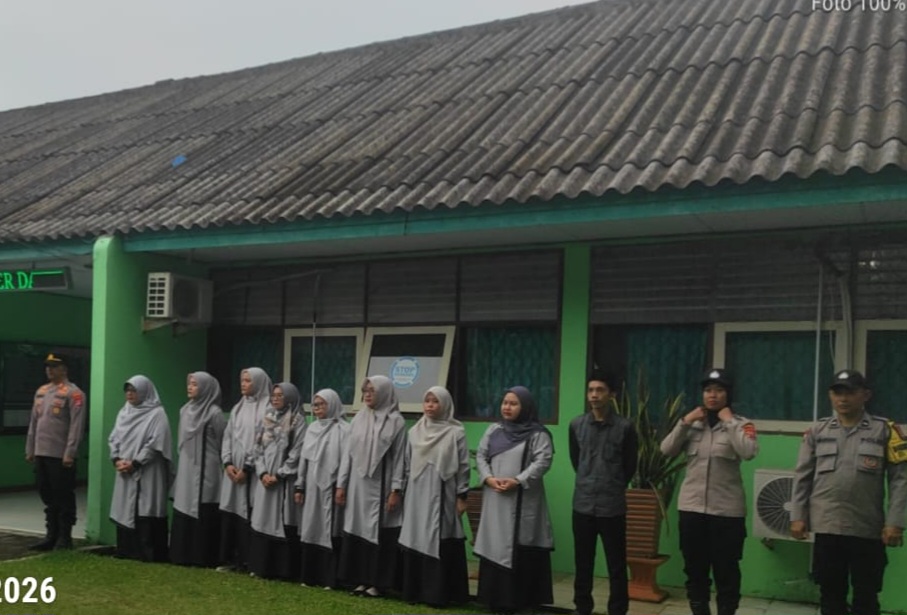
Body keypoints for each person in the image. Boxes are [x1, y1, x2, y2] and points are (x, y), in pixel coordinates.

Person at [790, 370, 907, 615]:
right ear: (830, 396)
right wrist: (797, 516)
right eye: (837, 393)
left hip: (866, 527)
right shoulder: (818, 431)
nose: (843, 399)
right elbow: (802, 476)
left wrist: (895, 522)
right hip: (827, 526)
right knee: (830, 595)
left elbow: (900, 480)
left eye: (850, 393)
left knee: (866, 596)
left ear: (866, 395)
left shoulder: (885, 431)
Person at [659, 368, 758, 615]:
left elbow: (748, 452)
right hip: (692, 509)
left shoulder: (742, 424)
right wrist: (684, 422)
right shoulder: (692, 424)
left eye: (719, 390)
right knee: (695, 569)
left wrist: (729, 421)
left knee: (726, 569)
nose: (712, 395)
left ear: (728, 394)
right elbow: (666, 450)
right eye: (708, 390)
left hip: (727, 512)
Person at [474, 386, 555, 614]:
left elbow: (543, 461)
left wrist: (518, 480)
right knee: (495, 542)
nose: (507, 407)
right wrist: (488, 478)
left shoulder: (538, 434)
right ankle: (495, 599)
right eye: (505, 403)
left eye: (513, 403)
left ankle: (522, 601)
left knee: (520, 544)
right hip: (496, 498)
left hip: (522, 499)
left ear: (525, 407)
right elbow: (481, 455)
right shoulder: (494, 430)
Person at [568, 370, 638, 615]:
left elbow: (629, 466)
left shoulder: (625, 427)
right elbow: (576, 461)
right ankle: (582, 608)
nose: (594, 395)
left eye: (600, 390)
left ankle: (617, 610)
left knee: (616, 564)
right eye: (591, 390)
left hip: (612, 506)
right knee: (583, 563)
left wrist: (612, 484)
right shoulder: (576, 425)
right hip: (583, 504)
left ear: (612, 395)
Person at [398, 386, 470, 608]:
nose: (430, 405)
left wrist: (462, 495)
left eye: (435, 401)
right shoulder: (414, 432)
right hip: (417, 494)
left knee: (440, 535)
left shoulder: (455, 432)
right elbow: (407, 464)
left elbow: (463, 466)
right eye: (427, 401)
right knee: (417, 534)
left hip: (443, 493)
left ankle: (438, 593)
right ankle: (415, 591)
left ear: (445, 404)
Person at [336, 375, 407, 598]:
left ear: (384, 393)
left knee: (379, 532)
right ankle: (360, 579)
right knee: (357, 529)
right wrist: (341, 485)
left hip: (382, 487)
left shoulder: (396, 422)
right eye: (364, 391)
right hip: (358, 486)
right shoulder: (358, 418)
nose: (367, 395)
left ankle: (378, 583)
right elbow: (348, 455)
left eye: (372, 391)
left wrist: (396, 490)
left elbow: (400, 459)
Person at [25, 352, 86, 551]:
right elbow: (34, 423)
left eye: (54, 366)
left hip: (60, 455)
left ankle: (64, 537)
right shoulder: (41, 391)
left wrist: (70, 452)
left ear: (64, 369)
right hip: (42, 452)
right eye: (48, 367)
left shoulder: (73, 393)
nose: (49, 370)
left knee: (63, 494)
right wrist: (30, 448)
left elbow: (76, 426)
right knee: (46, 493)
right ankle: (51, 535)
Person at [108, 375, 173, 562]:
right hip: (124, 469)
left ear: (145, 391)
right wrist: (116, 459)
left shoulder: (157, 414)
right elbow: (114, 438)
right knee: (125, 507)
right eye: (127, 390)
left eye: (134, 390)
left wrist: (136, 462)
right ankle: (126, 550)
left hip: (148, 470)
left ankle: (149, 553)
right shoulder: (124, 412)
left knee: (146, 506)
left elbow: (156, 443)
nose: (129, 394)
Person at [248, 382, 307, 579]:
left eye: (280, 395)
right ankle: (260, 566)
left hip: (283, 482)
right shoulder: (268, 417)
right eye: (273, 395)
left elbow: (297, 452)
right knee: (262, 519)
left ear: (290, 398)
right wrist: (262, 473)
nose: (275, 399)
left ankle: (282, 570)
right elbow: (257, 448)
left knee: (282, 519)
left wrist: (280, 474)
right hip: (265, 479)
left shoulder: (297, 420)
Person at [170, 371, 227, 567]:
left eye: (195, 384)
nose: (190, 387)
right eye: (189, 383)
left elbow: (222, 441)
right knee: (185, 502)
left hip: (207, 468)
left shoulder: (214, 413)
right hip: (187, 466)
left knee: (205, 504)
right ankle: (182, 554)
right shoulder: (184, 410)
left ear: (205, 388)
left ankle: (203, 556)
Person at [219, 367, 273, 571]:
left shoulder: (268, 408)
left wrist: (247, 467)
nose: (243, 384)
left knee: (251, 511)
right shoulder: (238, 407)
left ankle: (250, 561)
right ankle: (234, 559)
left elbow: (262, 441)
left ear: (258, 383)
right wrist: (227, 463)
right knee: (233, 512)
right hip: (233, 471)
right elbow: (228, 436)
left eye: (248, 381)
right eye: (242, 380)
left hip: (253, 472)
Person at [295, 388, 350, 588]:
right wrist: (299, 485)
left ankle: (330, 578)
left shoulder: (344, 429)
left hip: (332, 484)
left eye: (321, 404)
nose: (317, 408)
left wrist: (341, 485)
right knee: (311, 526)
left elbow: (345, 461)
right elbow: (304, 458)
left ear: (333, 404)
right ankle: (310, 576)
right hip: (312, 485)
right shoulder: (312, 428)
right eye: (315, 405)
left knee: (330, 528)